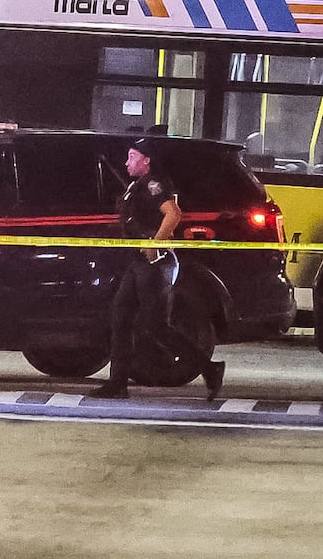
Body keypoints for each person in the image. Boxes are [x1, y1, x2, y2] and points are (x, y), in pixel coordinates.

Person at [90, 138, 226, 401]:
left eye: (132, 157)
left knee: (156, 326)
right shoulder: (136, 185)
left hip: (154, 263)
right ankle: (117, 384)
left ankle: (209, 368)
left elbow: (173, 214)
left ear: (146, 160)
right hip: (137, 263)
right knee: (121, 319)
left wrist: (155, 242)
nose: (126, 162)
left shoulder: (154, 184)